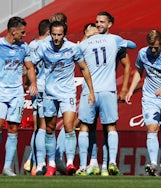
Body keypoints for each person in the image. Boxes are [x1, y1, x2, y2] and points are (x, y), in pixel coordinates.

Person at [33, 21, 95, 176]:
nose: (56, 37)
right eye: (53, 34)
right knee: (49, 128)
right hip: (49, 93)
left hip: (67, 93)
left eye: (59, 34)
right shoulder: (43, 47)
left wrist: (91, 91)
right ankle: (51, 164)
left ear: (64, 35)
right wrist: (32, 82)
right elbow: (30, 64)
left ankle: (69, 163)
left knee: (69, 126)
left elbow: (84, 68)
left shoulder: (73, 48)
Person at [75, 22, 136, 176]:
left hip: (89, 91)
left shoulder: (83, 45)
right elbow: (133, 45)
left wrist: (85, 38)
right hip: (108, 91)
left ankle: (83, 166)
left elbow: (76, 59)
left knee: (85, 127)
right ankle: (112, 163)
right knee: (110, 126)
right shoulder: (113, 39)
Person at [0, 16, 38, 176]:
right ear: (13, 32)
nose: (24, 35)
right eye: (22, 32)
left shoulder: (24, 47)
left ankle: (7, 167)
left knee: (14, 128)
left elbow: (29, 67)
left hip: (16, 93)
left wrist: (33, 83)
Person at [125, 30, 161, 176]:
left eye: (156, 47)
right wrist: (131, 90)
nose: (153, 50)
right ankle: (154, 164)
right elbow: (139, 72)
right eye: (151, 47)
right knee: (152, 128)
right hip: (150, 97)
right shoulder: (143, 53)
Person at [23, 19, 51, 176]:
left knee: (37, 125)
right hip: (46, 88)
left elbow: (27, 68)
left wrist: (27, 83)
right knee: (45, 126)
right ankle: (37, 162)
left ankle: (31, 161)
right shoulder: (47, 45)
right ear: (48, 32)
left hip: (34, 88)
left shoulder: (30, 45)